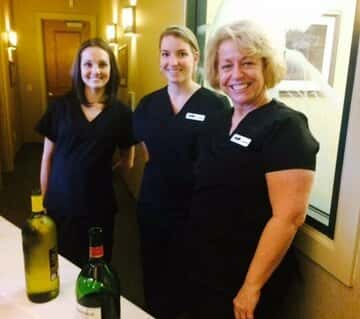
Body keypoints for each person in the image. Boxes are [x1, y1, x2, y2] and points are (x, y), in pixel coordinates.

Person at [182, 20, 319, 319]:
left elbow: (289, 217)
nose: (236, 74)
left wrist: (250, 287)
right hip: (207, 267)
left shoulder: (286, 127)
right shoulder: (219, 120)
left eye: (247, 63)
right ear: (217, 72)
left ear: (265, 67)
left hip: (247, 275)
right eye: (227, 65)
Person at [133, 25, 229, 318]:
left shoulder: (216, 105)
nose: (172, 61)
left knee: (190, 281)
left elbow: (222, 161)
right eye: (165, 54)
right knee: (155, 275)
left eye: (181, 54)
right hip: (153, 207)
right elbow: (146, 150)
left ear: (195, 57)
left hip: (196, 211)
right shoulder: (148, 104)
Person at [35, 38, 135, 267]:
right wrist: (44, 201)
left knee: (97, 263)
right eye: (88, 64)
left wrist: (102, 173)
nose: (95, 71)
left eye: (102, 64)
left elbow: (127, 159)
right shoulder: (60, 107)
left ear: (112, 69)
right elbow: (46, 158)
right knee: (62, 263)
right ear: (78, 69)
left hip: (99, 205)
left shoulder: (121, 114)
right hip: (61, 202)